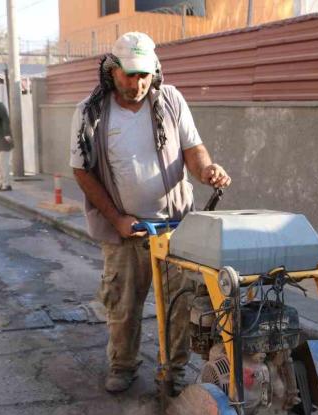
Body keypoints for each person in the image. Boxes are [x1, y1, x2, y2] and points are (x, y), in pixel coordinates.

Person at [70, 32, 231, 393]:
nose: (137, 83)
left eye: (144, 75)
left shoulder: (170, 100)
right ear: (111, 70)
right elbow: (82, 171)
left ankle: (171, 373)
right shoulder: (90, 112)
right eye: (129, 75)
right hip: (125, 230)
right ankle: (123, 366)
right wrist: (117, 219)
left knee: (179, 306)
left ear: (154, 71)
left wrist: (206, 170)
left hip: (173, 228)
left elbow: (193, 148)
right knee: (124, 306)